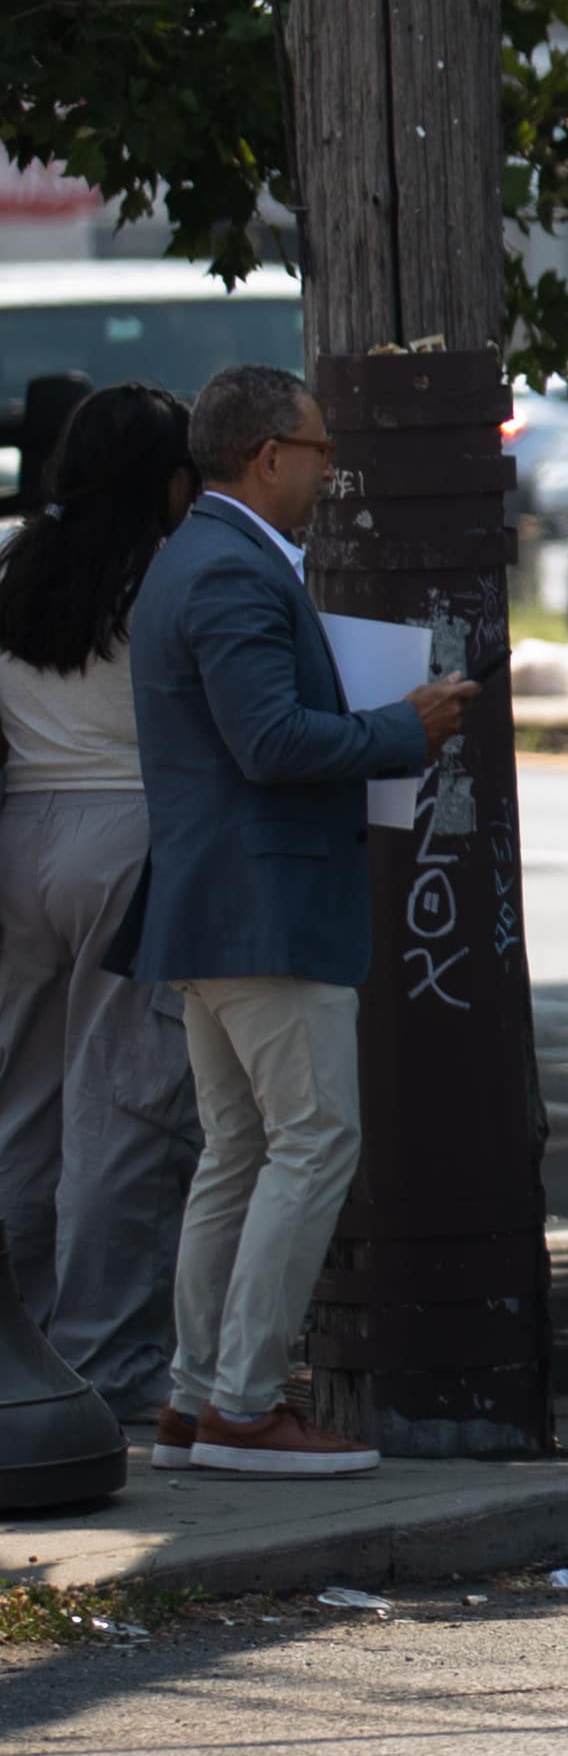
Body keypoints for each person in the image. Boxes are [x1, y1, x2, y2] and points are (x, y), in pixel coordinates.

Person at [126, 363, 476, 1478]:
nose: (330, 470)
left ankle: (196, 1400)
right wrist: (403, 728)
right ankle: (240, 1406)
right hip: (264, 908)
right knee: (315, 1141)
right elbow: (269, 741)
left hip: (220, 907)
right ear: (268, 454)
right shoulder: (233, 567)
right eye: (320, 450)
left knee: (237, 1152)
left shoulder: (193, 557)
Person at [0, 383, 203, 1436]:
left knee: (21, 1106)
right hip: (133, 837)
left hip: (21, 836)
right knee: (122, 1109)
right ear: (169, 480)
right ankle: (105, 1360)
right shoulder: (170, 572)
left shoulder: (15, 562)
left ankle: (17, 1341)